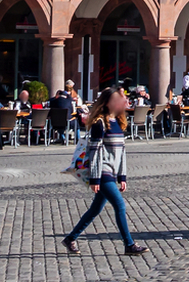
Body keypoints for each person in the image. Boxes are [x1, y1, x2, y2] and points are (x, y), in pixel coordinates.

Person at [62, 89, 147, 256]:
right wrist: (94, 178)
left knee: (95, 209)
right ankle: (129, 244)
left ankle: (70, 238)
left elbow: (121, 152)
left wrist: (122, 176)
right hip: (102, 172)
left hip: (112, 172)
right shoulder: (99, 123)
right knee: (119, 205)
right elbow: (94, 152)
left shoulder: (118, 122)